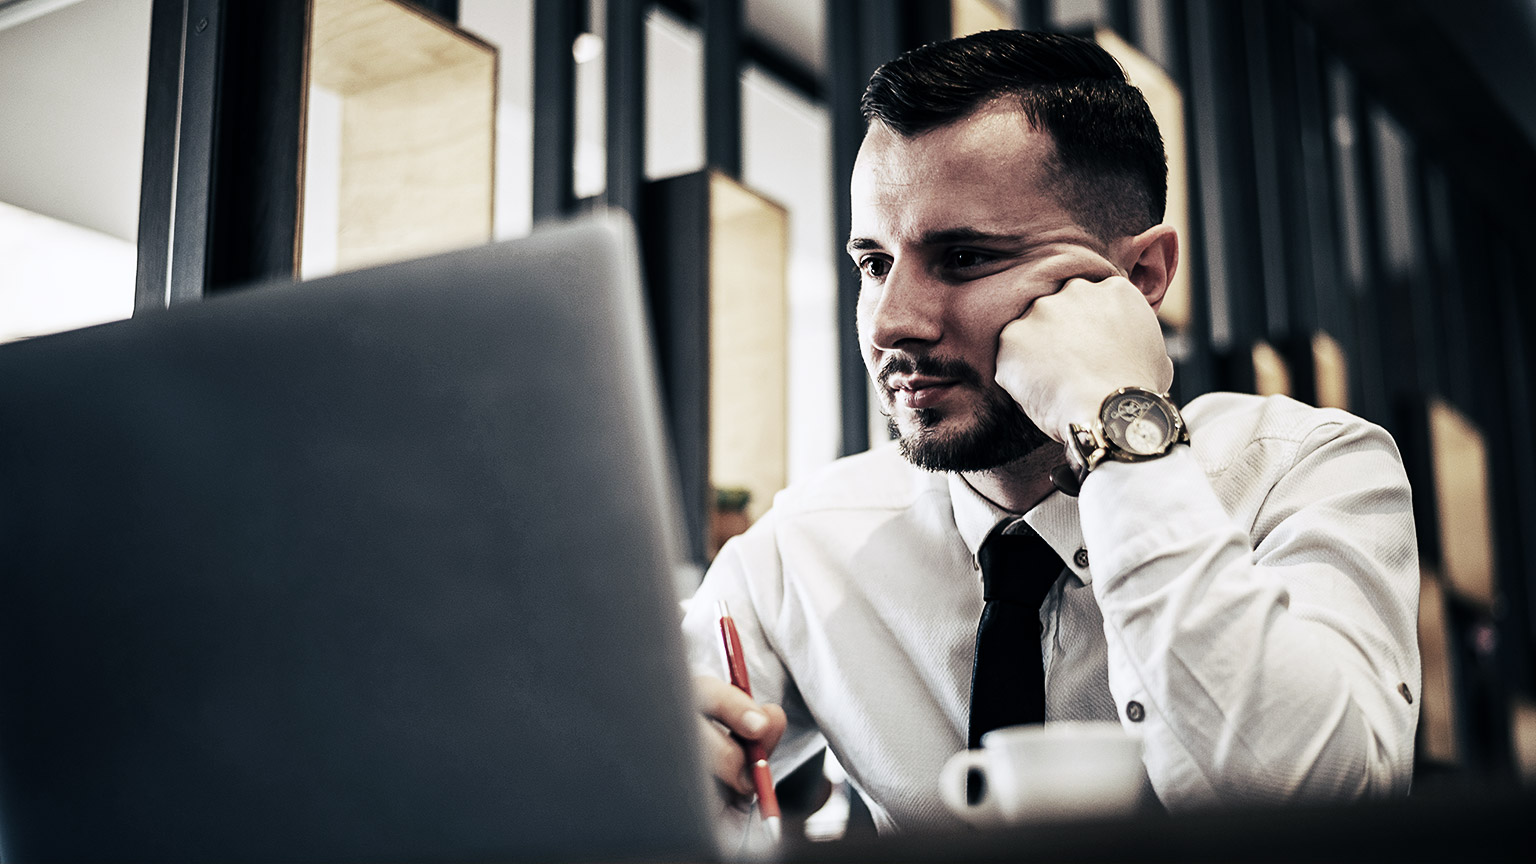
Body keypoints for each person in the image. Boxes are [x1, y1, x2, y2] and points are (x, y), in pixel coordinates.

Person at [682, 29, 1420, 834]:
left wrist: (1118, 422)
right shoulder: (803, 549)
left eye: (964, 257)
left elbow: (1320, 816)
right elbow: (643, 779)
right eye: (873, 264)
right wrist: (668, 764)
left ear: (1139, 279)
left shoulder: (1306, 472)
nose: (893, 321)